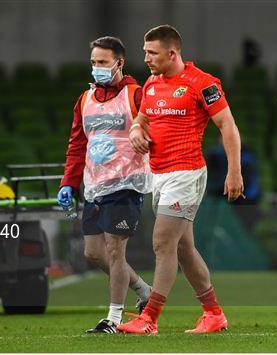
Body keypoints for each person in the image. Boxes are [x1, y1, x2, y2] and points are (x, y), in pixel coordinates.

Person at [117, 25, 244, 335]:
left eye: (152, 53)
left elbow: (227, 125)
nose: (145, 58)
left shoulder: (202, 83)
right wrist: (136, 131)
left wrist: (234, 170)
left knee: (162, 242)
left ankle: (149, 318)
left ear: (172, 53)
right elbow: (142, 119)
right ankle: (213, 313)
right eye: (145, 51)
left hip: (186, 174)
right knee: (183, 248)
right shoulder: (151, 84)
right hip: (158, 174)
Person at [57, 36, 152, 334]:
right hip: (95, 184)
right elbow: (77, 145)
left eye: (103, 62)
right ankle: (143, 290)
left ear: (119, 63)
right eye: (94, 63)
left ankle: (113, 319)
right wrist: (68, 183)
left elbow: (154, 130)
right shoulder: (84, 100)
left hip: (127, 182)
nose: (97, 68)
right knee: (93, 252)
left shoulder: (137, 95)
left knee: (114, 251)